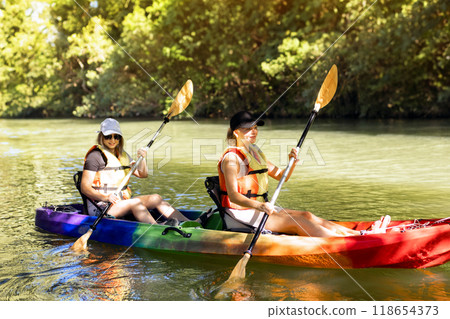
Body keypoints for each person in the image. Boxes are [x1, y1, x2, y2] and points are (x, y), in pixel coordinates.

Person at [218, 111, 389, 237]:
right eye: (248, 129)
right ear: (236, 132)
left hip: (261, 208)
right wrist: (261, 206)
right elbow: (233, 197)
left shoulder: (255, 153)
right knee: (297, 223)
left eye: (255, 128)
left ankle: (358, 235)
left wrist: (292, 161)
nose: (253, 131)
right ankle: (351, 240)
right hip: (242, 213)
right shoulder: (231, 158)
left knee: (307, 215)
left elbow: (281, 175)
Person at [80, 118, 191, 224]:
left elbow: (143, 174)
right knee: (135, 203)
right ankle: (158, 227)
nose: (113, 140)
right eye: (108, 136)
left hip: (121, 203)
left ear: (120, 138)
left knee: (156, 198)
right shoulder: (94, 156)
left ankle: (191, 223)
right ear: (101, 136)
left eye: (116, 136)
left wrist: (142, 159)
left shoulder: (122, 154)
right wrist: (106, 197)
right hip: (101, 207)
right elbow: (84, 188)